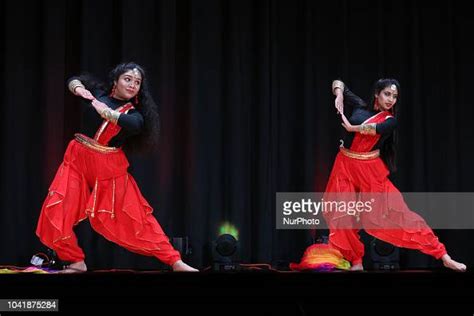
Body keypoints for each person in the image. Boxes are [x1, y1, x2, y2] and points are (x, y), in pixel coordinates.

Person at [36, 62, 198, 272]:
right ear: (116, 80)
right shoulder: (98, 93)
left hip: (108, 167)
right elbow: (74, 80)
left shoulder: (135, 114)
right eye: (127, 79)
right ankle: (76, 261)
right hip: (77, 158)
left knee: (137, 218)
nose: (132, 85)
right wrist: (79, 89)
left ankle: (175, 261)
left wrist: (106, 112)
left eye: (137, 82)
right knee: (57, 209)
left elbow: (134, 125)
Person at [321, 78, 466, 272]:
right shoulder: (359, 106)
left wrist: (352, 128)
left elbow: (375, 130)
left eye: (395, 96)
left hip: (369, 170)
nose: (391, 100)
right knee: (343, 214)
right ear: (377, 94)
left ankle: (443, 255)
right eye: (387, 94)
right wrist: (339, 94)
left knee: (402, 215)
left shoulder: (390, 120)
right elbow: (338, 83)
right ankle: (356, 261)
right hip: (345, 165)